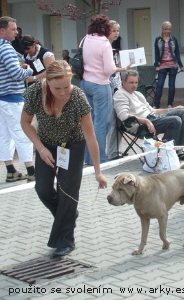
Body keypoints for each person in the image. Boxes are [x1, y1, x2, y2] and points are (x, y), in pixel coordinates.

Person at [21, 60, 107, 258]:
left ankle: (66, 241)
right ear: (47, 83)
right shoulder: (35, 93)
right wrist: (41, 149)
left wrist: (98, 172)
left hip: (72, 146)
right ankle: (68, 214)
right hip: (46, 145)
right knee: (42, 189)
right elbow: (25, 123)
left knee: (67, 193)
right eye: (57, 88)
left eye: (66, 86)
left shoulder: (77, 97)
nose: (62, 92)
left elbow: (90, 136)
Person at [114, 70, 184, 160]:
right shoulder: (120, 94)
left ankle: (179, 151)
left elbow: (152, 111)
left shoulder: (138, 94)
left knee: (182, 112)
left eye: (136, 82)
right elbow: (123, 116)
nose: (134, 85)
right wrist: (146, 121)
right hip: (140, 125)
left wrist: (173, 109)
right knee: (175, 120)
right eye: (131, 82)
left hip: (152, 118)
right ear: (123, 82)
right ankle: (163, 153)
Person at [80, 14, 123, 165]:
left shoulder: (86, 38)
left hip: (85, 83)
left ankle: (88, 158)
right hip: (101, 84)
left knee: (89, 122)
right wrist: (122, 68)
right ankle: (99, 159)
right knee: (102, 123)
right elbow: (109, 70)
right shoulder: (104, 43)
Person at [0, 16, 35, 183]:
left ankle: (11, 170)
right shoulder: (6, 49)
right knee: (22, 133)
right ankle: (31, 170)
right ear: (2, 30)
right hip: (13, 98)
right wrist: (28, 70)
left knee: (4, 136)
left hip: (1, 98)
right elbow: (15, 74)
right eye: (13, 29)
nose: (16, 32)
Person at [153, 21, 183, 109]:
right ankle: (156, 104)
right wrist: (156, 65)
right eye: (166, 29)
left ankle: (170, 104)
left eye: (169, 29)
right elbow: (156, 53)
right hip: (162, 64)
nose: (167, 31)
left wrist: (180, 64)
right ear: (162, 29)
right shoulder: (158, 39)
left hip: (173, 65)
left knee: (171, 85)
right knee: (160, 85)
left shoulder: (174, 39)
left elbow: (177, 52)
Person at [107, 20, 123, 160]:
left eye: (118, 31)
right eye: (114, 31)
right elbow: (109, 70)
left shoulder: (114, 46)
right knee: (112, 121)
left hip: (117, 85)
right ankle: (111, 152)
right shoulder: (105, 46)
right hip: (109, 87)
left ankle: (116, 150)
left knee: (118, 119)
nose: (116, 33)